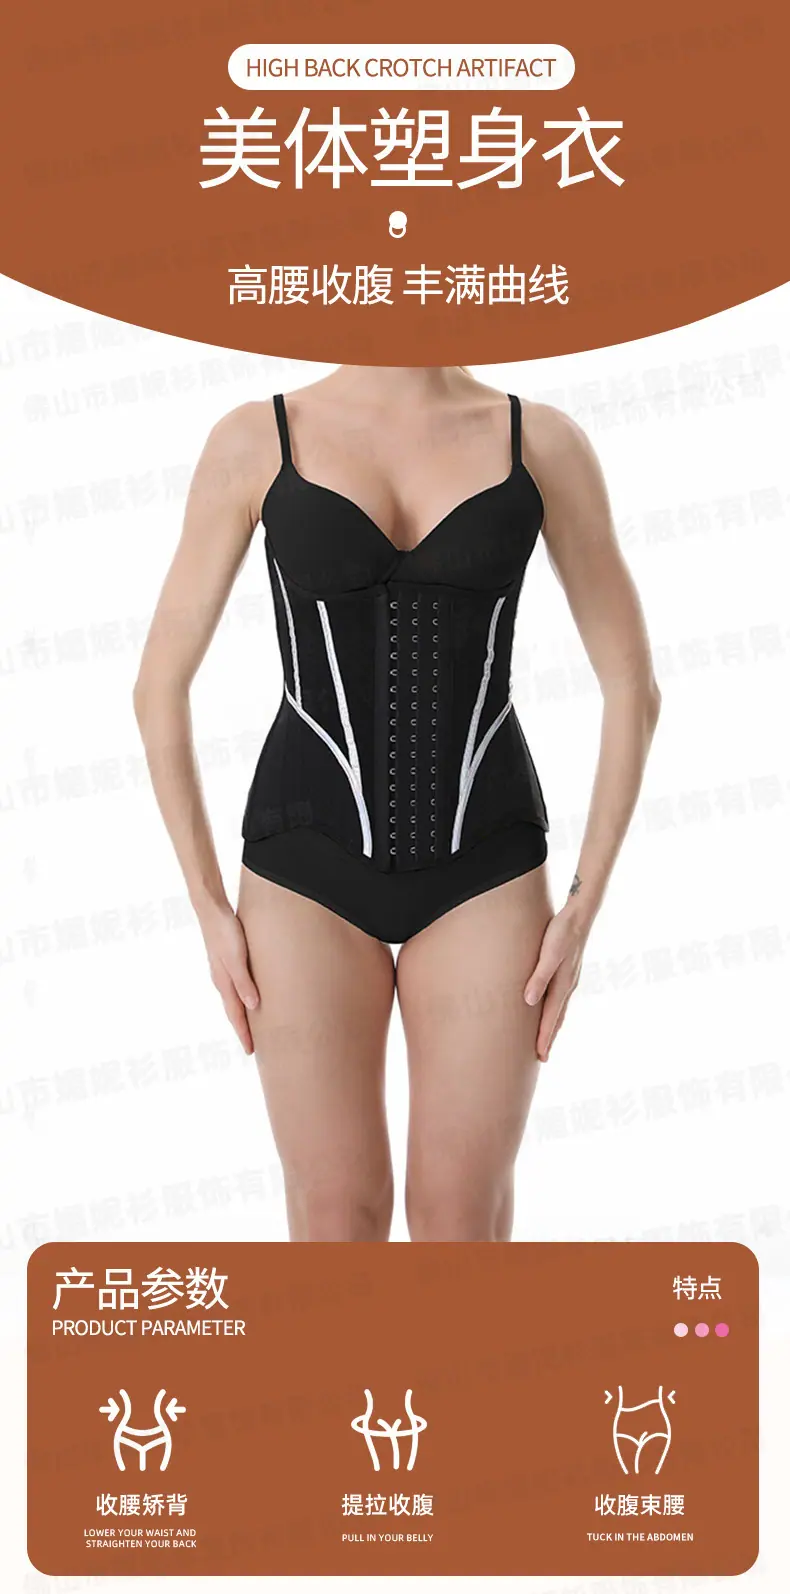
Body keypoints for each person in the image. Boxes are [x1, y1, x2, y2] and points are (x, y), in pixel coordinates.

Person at [133, 366, 661, 1242]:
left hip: (485, 870)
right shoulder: (257, 439)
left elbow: (632, 689)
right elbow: (159, 686)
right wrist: (207, 906)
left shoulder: (542, 443)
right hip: (303, 872)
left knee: (459, 1223)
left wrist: (582, 907)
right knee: (336, 1220)